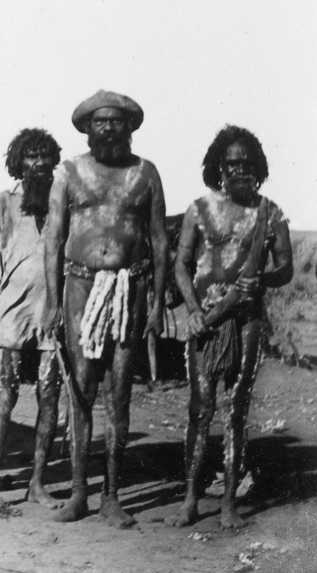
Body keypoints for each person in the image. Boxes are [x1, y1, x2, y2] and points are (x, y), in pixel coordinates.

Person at [42, 90, 168, 528]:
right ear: (88, 128)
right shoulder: (69, 172)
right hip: (79, 285)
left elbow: (160, 239)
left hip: (129, 288)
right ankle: (79, 492)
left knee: (119, 392)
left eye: (118, 122)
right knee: (81, 388)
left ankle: (111, 496)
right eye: (101, 122)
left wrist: (156, 303)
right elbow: (53, 239)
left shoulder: (145, 173)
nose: (109, 128)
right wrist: (52, 303)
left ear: (130, 128)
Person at [165, 125, 292, 529]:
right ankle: (189, 499)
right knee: (200, 411)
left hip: (248, 320)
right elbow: (181, 264)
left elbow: (285, 267)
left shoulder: (270, 213)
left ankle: (229, 506)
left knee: (236, 410)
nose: (240, 170)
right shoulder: (199, 209)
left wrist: (265, 280)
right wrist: (193, 310)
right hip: (206, 320)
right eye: (232, 163)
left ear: (259, 168)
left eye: (248, 164)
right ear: (219, 167)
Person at [0, 128, 63, 517]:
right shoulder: (4, 202)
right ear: (18, 162)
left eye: (45, 155)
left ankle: (37, 484)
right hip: (13, 310)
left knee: (49, 395)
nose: (39, 162)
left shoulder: (64, 200)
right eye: (31, 156)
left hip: (52, 309)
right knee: (5, 393)